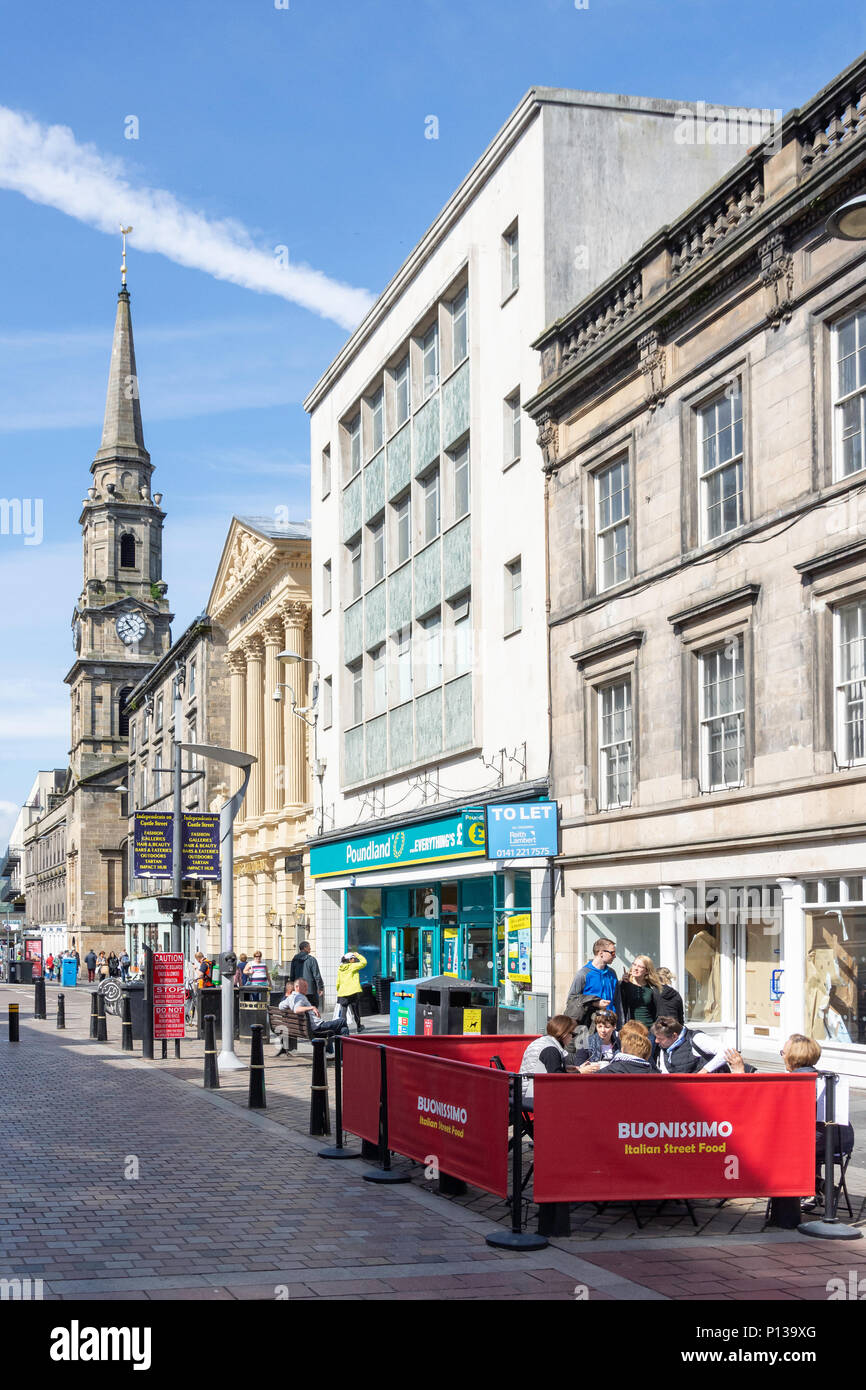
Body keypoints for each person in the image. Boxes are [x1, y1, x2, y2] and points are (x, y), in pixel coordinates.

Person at [518, 1016, 599, 1103]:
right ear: (565, 1034)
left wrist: (569, 1068)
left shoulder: (544, 1042)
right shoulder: (551, 1050)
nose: (572, 1038)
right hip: (534, 1096)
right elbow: (557, 1080)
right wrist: (580, 1072)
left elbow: (547, 1070)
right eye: (573, 1034)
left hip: (527, 1091)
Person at [277, 978, 349, 1056]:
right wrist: (312, 1007)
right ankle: (342, 1056)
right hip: (317, 1027)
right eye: (304, 986)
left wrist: (289, 1006)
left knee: (343, 1029)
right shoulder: (299, 997)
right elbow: (297, 1010)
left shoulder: (290, 997)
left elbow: (280, 1006)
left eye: (307, 986)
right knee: (342, 1021)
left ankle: (332, 1053)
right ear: (297, 987)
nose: (306, 988)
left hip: (307, 1028)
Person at [564, 938, 623, 1028]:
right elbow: (572, 1000)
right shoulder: (583, 974)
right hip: (590, 1025)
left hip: (609, 1025)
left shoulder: (612, 973)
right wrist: (594, 1003)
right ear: (601, 953)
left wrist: (619, 1026)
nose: (614, 956)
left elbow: (617, 1002)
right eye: (612, 953)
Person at [651, 1015, 731, 1073]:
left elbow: (726, 1052)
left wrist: (705, 1071)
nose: (656, 1041)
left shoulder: (696, 1038)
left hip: (712, 1086)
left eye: (660, 1039)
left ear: (674, 1036)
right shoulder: (663, 1048)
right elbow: (665, 1073)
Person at [621, 955, 662, 1027]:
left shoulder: (652, 988)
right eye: (634, 964)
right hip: (630, 1029)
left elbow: (656, 1011)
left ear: (647, 971)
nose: (635, 968)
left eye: (640, 967)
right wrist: (623, 984)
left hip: (648, 1028)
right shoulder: (624, 985)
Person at [336, 951, 367, 1032]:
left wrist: (338, 990)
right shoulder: (353, 966)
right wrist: (358, 954)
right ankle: (359, 1026)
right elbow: (364, 962)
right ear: (349, 960)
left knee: (343, 1011)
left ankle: (343, 1029)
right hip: (353, 992)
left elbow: (338, 981)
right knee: (355, 1010)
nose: (354, 959)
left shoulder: (340, 968)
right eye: (353, 958)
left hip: (342, 992)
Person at [289, 941, 325, 1011]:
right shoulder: (311, 960)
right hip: (310, 991)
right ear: (305, 948)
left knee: (301, 1009)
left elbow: (292, 976)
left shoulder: (294, 960)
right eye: (309, 947)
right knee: (312, 1009)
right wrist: (320, 987)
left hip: (298, 990)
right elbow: (317, 975)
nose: (310, 948)